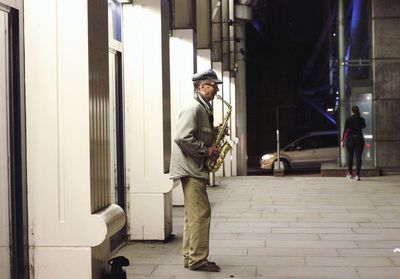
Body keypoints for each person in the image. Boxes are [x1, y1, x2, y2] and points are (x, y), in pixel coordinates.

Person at [169, 69, 223, 272]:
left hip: (193, 166)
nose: (216, 89)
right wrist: (206, 150)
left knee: (192, 215)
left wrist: (216, 131)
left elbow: (199, 132)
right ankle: (198, 259)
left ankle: (189, 256)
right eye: (213, 85)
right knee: (201, 213)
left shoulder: (202, 107)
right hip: (191, 168)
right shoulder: (193, 108)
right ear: (202, 86)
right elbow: (182, 137)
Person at [341, 105, 366, 181]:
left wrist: (342, 140)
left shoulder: (348, 119)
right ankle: (357, 175)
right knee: (358, 157)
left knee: (350, 157)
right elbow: (364, 126)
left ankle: (350, 174)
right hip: (359, 139)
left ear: (352, 111)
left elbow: (345, 130)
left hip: (350, 139)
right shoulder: (361, 119)